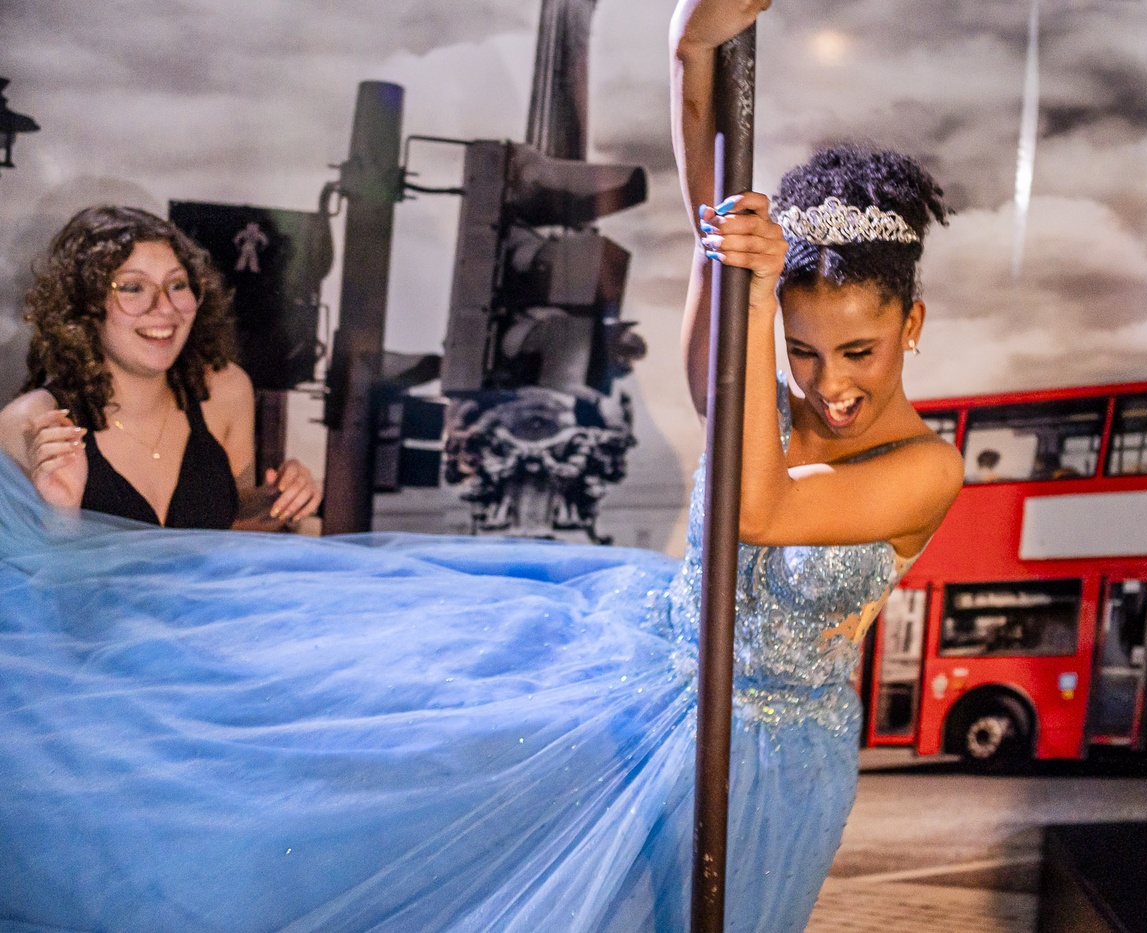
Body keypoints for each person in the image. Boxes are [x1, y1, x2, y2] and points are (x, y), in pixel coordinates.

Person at [0, 3, 961, 931]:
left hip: (765, 758)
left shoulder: (928, 467)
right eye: (804, 350)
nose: (828, 383)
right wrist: (689, 44)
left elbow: (761, 508)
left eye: (858, 351)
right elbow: (711, 208)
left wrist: (753, 303)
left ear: (911, 325)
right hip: (637, 693)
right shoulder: (757, 388)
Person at [0, 206, 320, 530]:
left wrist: (278, 501)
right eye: (133, 287)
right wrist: (59, 514)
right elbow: (25, 558)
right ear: (85, 305)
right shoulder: (26, 425)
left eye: (178, 284)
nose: (165, 307)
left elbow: (230, 532)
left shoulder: (226, 391)